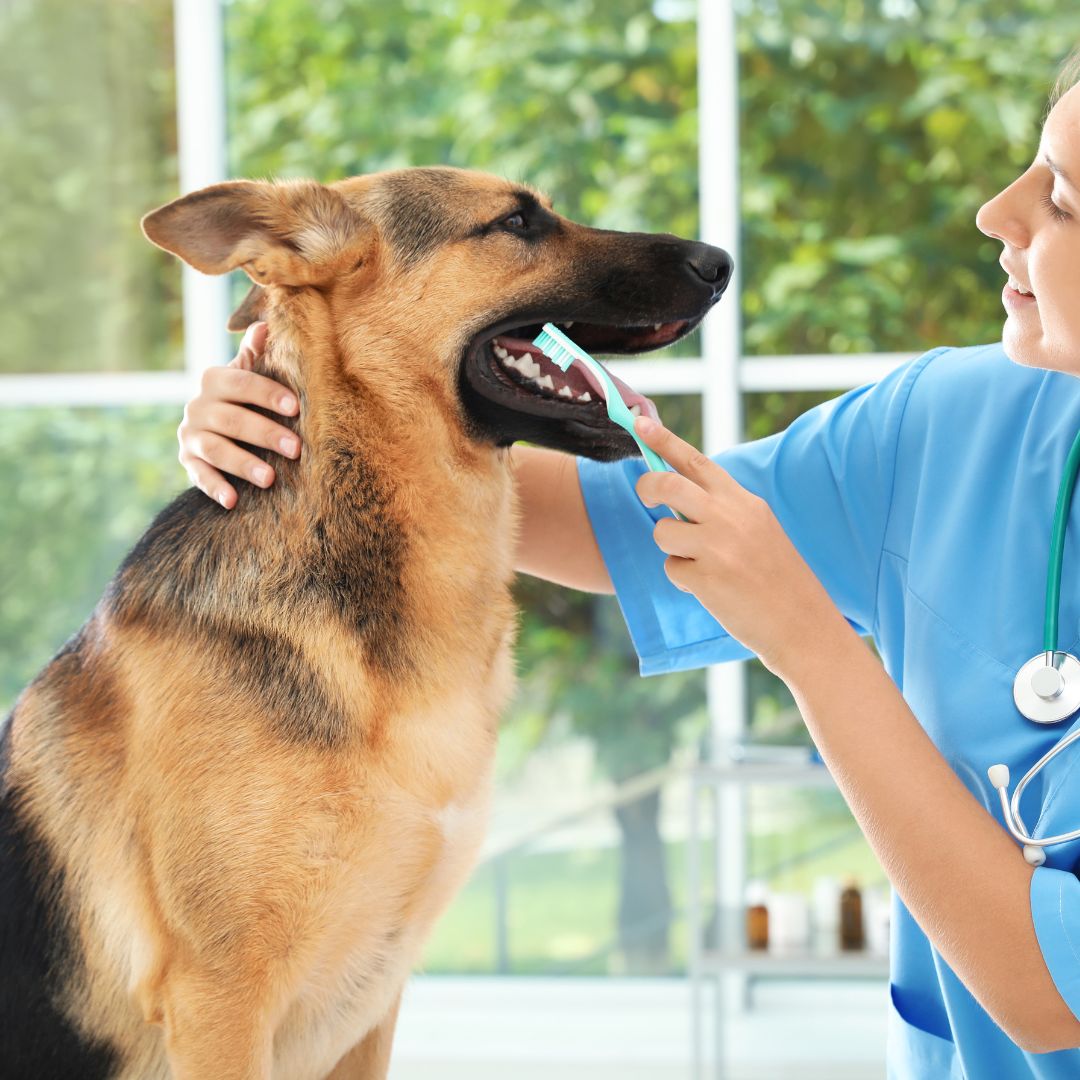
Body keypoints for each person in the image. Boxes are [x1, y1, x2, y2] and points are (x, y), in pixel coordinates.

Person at [177, 56, 1080, 1075]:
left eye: (1064, 200)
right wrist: (303, 428)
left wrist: (811, 649)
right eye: (1028, 169)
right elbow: (620, 519)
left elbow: (1056, 1000)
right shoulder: (952, 425)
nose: (997, 214)